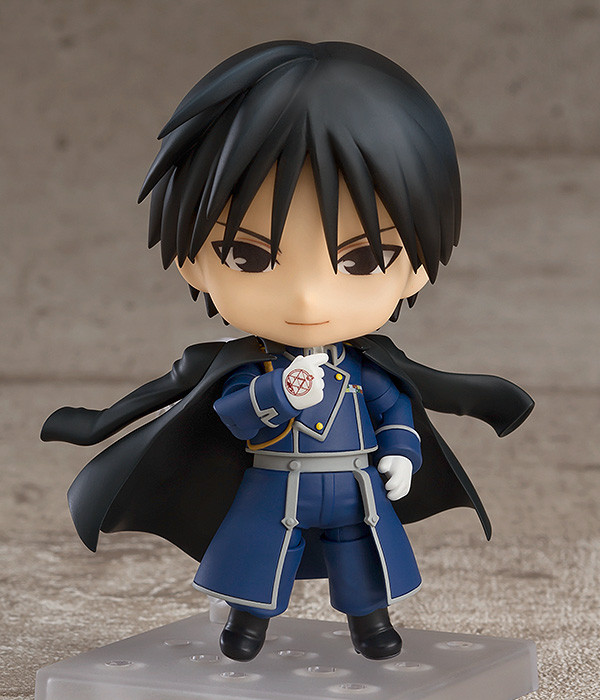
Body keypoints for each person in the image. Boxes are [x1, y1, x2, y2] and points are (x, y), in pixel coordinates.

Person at [42, 41, 533, 662]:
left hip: (355, 483)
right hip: (275, 484)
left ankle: (371, 626)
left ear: (415, 270)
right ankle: (246, 627)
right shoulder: (247, 367)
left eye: (364, 258)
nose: (306, 297)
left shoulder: (366, 369)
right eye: (247, 256)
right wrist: (277, 392)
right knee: (257, 559)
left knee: (364, 557)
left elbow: (395, 409)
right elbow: (233, 415)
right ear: (193, 263)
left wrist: (402, 454)